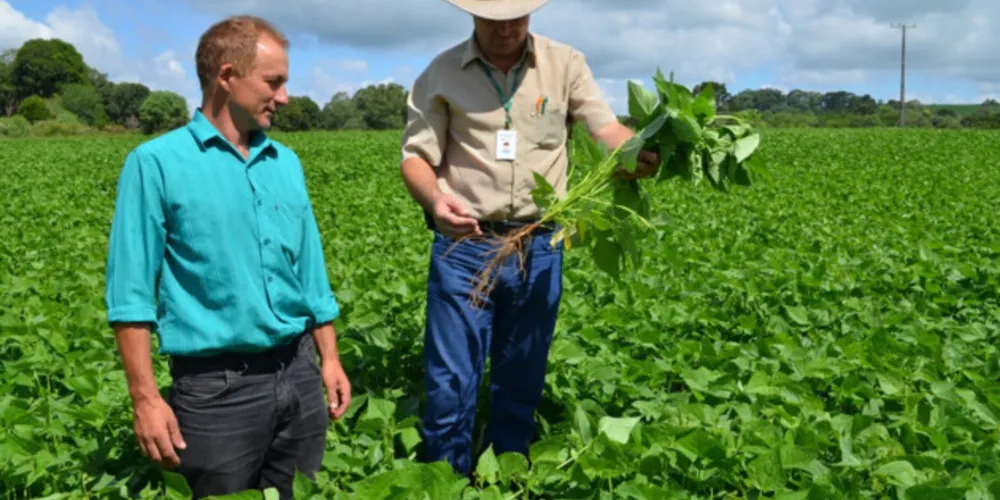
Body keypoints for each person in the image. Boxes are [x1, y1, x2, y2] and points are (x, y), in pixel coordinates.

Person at [399, 0, 660, 475]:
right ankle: (443, 479)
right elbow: (416, 157)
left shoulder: (565, 64)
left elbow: (604, 128)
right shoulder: (440, 72)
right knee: (450, 382)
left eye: (517, 16)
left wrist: (633, 153)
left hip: (538, 246)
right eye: (494, 18)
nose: (507, 28)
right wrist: (435, 202)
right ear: (472, 15)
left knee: (522, 374)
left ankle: (510, 475)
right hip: (466, 246)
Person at [103, 15, 351, 499]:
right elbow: (131, 294)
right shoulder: (156, 163)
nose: (284, 97)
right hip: (217, 392)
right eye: (273, 82)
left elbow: (310, 273)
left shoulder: (287, 162)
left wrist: (330, 358)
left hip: (298, 375)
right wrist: (146, 398)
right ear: (227, 76)